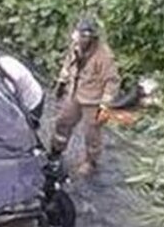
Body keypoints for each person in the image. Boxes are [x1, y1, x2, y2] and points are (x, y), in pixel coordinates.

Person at [49, 18, 120, 177]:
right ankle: (56, 152)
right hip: (74, 94)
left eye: (83, 37)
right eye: (79, 36)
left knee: (91, 134)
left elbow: (112, 81)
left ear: (91, 38)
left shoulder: (104, 56)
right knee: (62, 123)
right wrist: (62, 82)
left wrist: (105, 106)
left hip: (93, 101)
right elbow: (69, 64)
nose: (79, 39)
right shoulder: (76, 47)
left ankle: (90, 162)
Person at [0, 55, 45, 129]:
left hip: (33, 103)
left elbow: (7, 101)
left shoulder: (11, 81)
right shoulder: (3, 60)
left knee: (22, 129)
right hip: (31, 89)